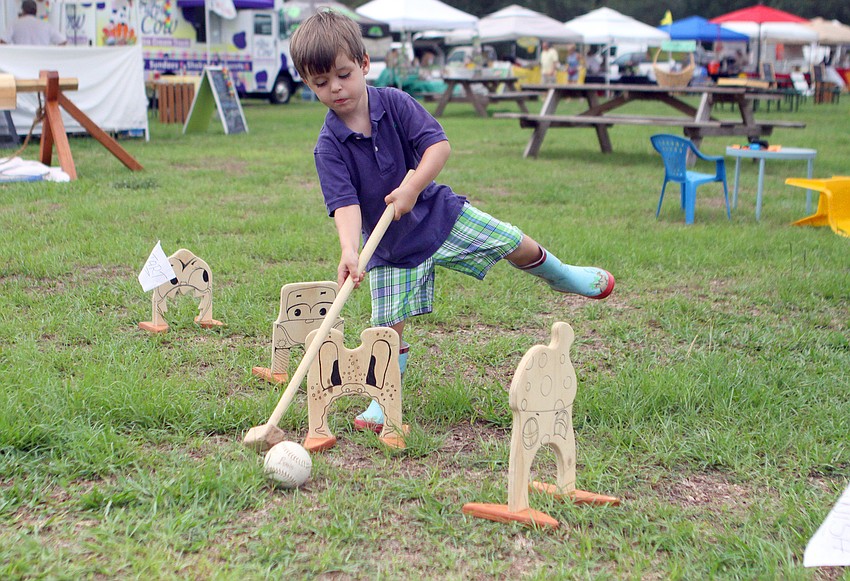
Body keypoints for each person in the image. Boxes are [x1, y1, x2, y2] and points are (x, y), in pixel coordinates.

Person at [289, 11, 614, 433]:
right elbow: (345, 203)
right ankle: (383, 400)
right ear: (308, 84)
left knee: (511, 240)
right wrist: (350, 249)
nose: (335, 88)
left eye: (343, 75)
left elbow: (438, 147)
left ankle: (560, 273)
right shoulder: (328, 146)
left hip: (440, 217)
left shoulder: (396, 104)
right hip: (389, 247)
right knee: (385, 328)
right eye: (320, 83)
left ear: (364, 64)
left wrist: (412, 187)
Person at [1, 0, 66, 45]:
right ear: (36, 11)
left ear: (23, 11)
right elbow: (63, 42)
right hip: (41, 62)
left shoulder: (15, 24)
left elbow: (2, 41)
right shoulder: (46, 25)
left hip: (21, 61)